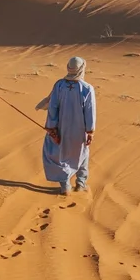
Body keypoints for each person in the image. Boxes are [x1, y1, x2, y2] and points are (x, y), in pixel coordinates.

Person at [38, 57, 96, 195]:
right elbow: (90, 112)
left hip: (60, 128)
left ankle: (65, 186)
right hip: (79, 131)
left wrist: (52, 128)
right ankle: (80, 184)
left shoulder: (59, 85)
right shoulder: (87, 88)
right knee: (82, 153)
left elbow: (52, 107)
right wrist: (90, 131)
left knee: (60, 155)